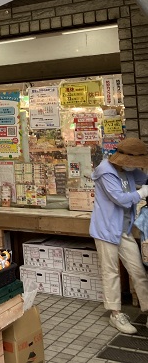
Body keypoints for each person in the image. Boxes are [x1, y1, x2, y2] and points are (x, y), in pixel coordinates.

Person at [90, 137, 148, 334]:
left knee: (138, 270)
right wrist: (142, 193)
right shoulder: (105, 171)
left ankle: (147, 309)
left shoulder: (128, 169)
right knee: (111, 272)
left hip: (124, 229)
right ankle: (116, 314)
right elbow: (120, 199)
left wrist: (144, 186)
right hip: (106, 230)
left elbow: (144, 179)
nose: (136, 166)